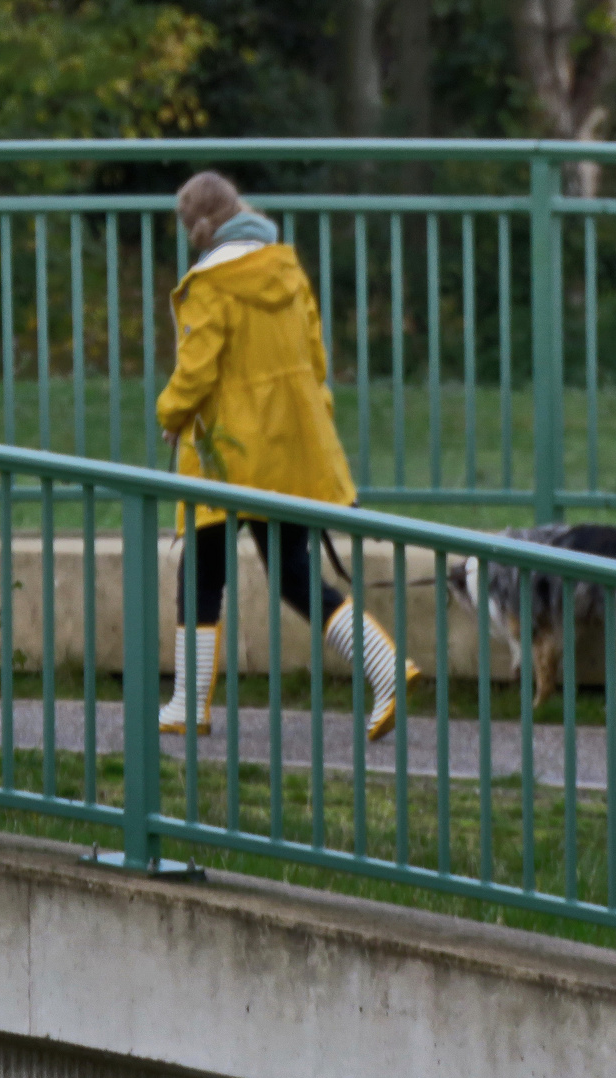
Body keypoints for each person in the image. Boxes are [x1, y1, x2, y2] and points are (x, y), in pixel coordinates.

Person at [156, 170, 419, 741]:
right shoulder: (287, 270)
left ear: (202, 227)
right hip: (291, 449)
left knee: (200, 571)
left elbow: (196, 370)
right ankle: (386, 667)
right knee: (294, 575)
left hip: (230, 459)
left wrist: (170, 414)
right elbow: (317, 362)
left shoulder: (209, 285)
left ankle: (188, 704)